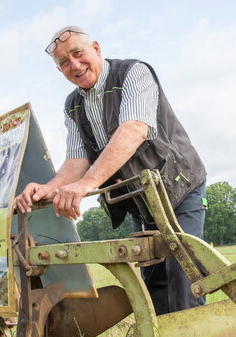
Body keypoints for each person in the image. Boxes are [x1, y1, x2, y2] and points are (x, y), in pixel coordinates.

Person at [14, 26, 207, 315]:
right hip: (142, 201)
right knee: (154, 284)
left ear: (96, 48)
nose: (74, 65)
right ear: (59, 71)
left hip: (178, 187)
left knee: (185, 280)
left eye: (78, 54)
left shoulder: (133, 73)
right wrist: (47, 188)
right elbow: (76, 161)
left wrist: (86, 185)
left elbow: (134, 130)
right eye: (64, 62)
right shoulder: (73, 104)